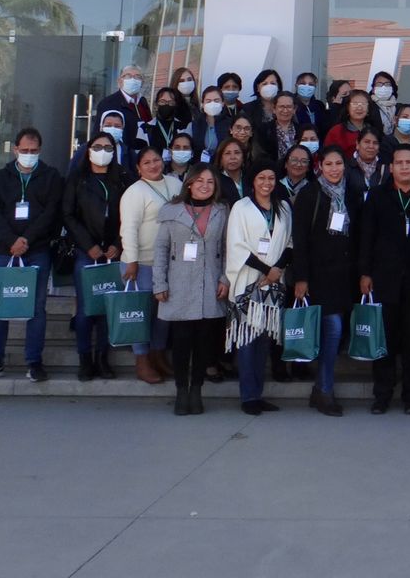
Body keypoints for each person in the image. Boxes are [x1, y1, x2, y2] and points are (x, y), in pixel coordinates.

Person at [0, 128, 63, 384]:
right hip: (5, 250)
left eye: (33, 151)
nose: (29, 155)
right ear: (15, 150)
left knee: (36, 308)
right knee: (0, 307)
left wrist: (27, 240)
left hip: (36, 250)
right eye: (24, 151)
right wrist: (11, 240)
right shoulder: (2, 177)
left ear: (40, 151)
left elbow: (51, 213)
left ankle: (34, 361)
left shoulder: (51, 176)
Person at [358, 145, 410, 415]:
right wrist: (365, 273)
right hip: (384, 278)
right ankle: (382, 395)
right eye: (399, 163)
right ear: (390, 167)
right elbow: (366, 236)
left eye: (409, 162)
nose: (404, 167)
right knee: (385, 340)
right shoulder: (378, 196)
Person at [152, 164, 229, 415]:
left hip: (209, 285)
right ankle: (181, 392)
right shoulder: (172, 212)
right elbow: (161, 249)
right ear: (189, 183)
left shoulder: (221, 212)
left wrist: (225, 279)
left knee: (204, 344)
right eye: (200, 181)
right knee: (182, 343)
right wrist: (159, 283)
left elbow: (228, 249)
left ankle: (196, 390)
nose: (205, 186)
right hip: (179, 286)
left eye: (210, 182)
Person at [290, 145, 359, 415]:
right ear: (320, 167)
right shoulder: (310, 194)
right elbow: (300, 240)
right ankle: (325, 390)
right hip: (318, 276)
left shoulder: (352, 194)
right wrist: (301, 277)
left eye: (338, 164)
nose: (334, 169)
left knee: (336, 332)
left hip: (345, 276)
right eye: (328, 164)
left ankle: (320, 387)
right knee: (332, 330)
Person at [223, 166, 292, 415]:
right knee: (247, 341)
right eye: (261, 177)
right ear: (253, 181)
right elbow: (237, 245)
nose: (267, 182)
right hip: (248, 281)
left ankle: (258, 393)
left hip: (274, 284)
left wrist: (277, 269)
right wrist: (266, 269)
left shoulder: (283, 207)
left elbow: (289, 243)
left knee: (264, 341)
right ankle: (248, 396)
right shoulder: (241, 207)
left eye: (271, 177)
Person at [62, 129, 126, 381]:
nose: (103, 152)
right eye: (97, 147)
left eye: (108, 148)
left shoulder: (122, 177)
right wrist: (88, 245)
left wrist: (118, 244)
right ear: (88, 151)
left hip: (112, 251)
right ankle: (84, 359)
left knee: (106, 308)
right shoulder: (77, 178)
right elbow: (68, 214)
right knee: (87, 308)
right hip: (86, 252)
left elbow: (129, 215)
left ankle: (103, 358)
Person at [117, 146, 183, 384]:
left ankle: (158, 355)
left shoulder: (175, 185)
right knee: (141, 314)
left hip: (167, 263)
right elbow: (129, 229)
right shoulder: (134, 192)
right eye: (147, 163)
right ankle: (142, 360)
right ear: (138, 168)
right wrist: (132, 262)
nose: (153, 165)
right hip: (140, 263)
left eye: (156, 160)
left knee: (163, 315)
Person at [94, 64, 156, 162]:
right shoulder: (108, 103)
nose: (133, 79)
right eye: (128, 76)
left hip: (143, 158)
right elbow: (98, 135)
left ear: (142, 82)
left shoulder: (143, 102)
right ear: (120, 81)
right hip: (121, 158)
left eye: (137, 76)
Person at [256, 91, 301, 171]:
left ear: (294, 109)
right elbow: (261, 156)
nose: (285, 110)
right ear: (274, 109)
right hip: (273, 173)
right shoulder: (264, 129)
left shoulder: (301, 130)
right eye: (281, 106)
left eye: (289, 107)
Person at [323, 89, 373, 156]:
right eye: (355, 104)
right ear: (347, 107)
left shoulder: (373, 130)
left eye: (363, 104)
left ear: (368, 108)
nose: (359, 107)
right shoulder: (336, 131)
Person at [151, 86, 194, 159]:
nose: (166, 105)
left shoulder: (184, 127)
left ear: (175, 105)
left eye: (171, 102)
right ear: (156, 105)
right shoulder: (145, 128)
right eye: (162, 101)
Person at [193, 86, 231, 165]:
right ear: (203, 104)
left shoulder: (230, 123)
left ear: (223, 103)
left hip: (223, 166)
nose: (212, 104)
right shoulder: (195, 124)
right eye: (208, 101)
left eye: (216, 101)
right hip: (200, 167)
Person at [346, 127, 387, 198]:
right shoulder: (347, 167)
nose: (371, 146)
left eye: (375, 143)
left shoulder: (385, 168)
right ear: (358, 144)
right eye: (367, 142)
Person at [292, 71, 328, 136]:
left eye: (311, 84)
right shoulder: (291, 104)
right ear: (296, 86)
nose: (306, 86)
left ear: (315, 88)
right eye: (303, 83)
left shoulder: (319, 105)